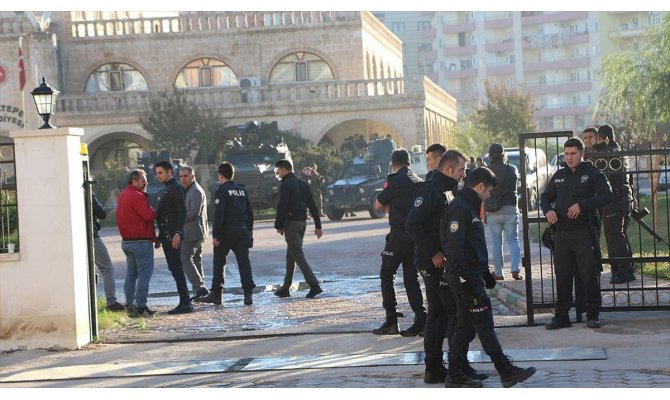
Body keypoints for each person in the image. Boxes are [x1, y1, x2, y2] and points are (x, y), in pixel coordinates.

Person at [442, 167, 537, 388]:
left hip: (472, 276)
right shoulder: (460, 208)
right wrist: (468, 281)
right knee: (484, 324)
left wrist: (486, 275)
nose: (489, 196)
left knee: (465, 327)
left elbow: (473, 247)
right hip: (465, 280)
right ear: (480, 187)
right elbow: (455, 249)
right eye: (488, 192)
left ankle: (456, 373)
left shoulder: (469, 207)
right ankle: (505, 370)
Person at [407, 149, 487, 384]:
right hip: (433, 262)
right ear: (449, 169)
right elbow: (413, 224)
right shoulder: (430, 190)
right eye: (461, 170)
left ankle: (437, 368)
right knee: (454, 313)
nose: (464, 174)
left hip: (443, 261)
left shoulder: (449, 190)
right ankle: (455, 370)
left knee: (439, 314)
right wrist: (433, 252)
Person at [540, 138, 613, 330]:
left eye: (573, 153)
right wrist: (548, 210)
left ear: (582, 153)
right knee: (563, 276)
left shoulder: (593, 174)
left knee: (588, 274)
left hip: (583, 232)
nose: (569, 157)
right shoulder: (559, 175)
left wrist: (582, 205)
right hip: (562, 234)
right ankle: (562, 317)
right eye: (566, 154)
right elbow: (545, 197)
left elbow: (607, 195)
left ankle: (592, 315)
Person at [372, 149, 426, 336]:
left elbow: (378, 205)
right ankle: (421, 318)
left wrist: (392, 208)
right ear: (409, 162)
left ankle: (391, 320)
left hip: (398, 236)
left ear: (393, 163)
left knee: (387, 274)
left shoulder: (394, 181)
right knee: (412, 278)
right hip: (416, 237)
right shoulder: (419, 182)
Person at [198, 162, 256, 306]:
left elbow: (219, 215)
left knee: (219, 263)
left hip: (226, 233)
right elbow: (250, 214)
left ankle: (216, 294)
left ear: (220, 175)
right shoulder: (242, 190)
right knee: (244, 263)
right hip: (242, 232)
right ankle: (248, 294)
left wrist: (216, 235)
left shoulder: (222, 191)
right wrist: (249, 232)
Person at [273, 159, 324, 298]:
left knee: (298, 256)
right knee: (291, 256)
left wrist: (278, 225)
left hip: (291, 224)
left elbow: (282, 206)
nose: (278, 173)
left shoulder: (285, 184)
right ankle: (286, 287)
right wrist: (318, 225)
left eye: (278, 171)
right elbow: (312, 205)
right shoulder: (302, 183)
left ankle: (314, 285)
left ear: (284, 170)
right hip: (302, 223)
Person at [116, 169, 159, 317]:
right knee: (144, 275)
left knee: (131, 275)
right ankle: (141, 306)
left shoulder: (123, 195)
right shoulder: (137, 196)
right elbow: (148, 216)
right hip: (141, 243)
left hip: (127, 242)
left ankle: (129, 304)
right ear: (134, 181)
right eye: (143, 180)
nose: (146, 182)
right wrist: (155, 211)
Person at [596, 124, 636, 284]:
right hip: (624, 198)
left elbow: (603, 176)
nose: (596, 141)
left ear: (605, 138)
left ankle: (623, 271)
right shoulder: (619, 151)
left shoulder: (608, 154)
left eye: (598, 138)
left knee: (614, 236)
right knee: (619, 235)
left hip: (614, 200)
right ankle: (624, 269)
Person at [155, 160, 193, 315]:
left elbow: (181, 212)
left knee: (177, 268)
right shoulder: (167, 188)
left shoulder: (175, 188)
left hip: (173, 236)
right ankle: (184, 300)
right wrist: (159, 236)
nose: (158, 176)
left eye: (160, 173)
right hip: (166, 236)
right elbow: (164, 215)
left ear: (169, 172)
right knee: (174, 268)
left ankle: (185, 302)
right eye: (157, 173)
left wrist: (178, 233)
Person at [485, 143, 522, 281]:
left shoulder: (487, 171)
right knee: (513, 240)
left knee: (496, 242)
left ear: (490, 155)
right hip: (511, 209)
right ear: (503, 154)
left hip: (493, 211)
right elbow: (515, 186)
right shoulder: (512, 169)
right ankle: (515, 270)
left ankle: (499, 273)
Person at [178, 166, 210, 301]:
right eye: (181, 176)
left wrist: (178, 220)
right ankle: (199, 290)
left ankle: (199, 286)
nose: (183, 179)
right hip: (195, 231)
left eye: (185, 176)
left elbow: (193, 212)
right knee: (196, 260)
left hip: (193, 231)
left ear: (193, 176)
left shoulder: (195, 190)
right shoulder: (190, 189)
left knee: (185, 258)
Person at [92, 193, 125, 312]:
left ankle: (88, 302)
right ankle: (111, 302)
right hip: (92, 236)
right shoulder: (88, 192)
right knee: (107, 268)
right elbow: (101, 213)